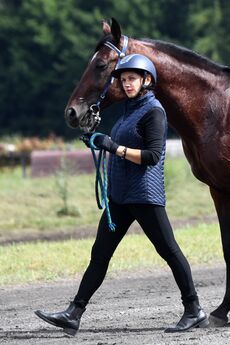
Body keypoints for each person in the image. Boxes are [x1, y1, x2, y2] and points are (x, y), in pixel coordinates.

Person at [35, 54, 208, 335]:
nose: (127, 84)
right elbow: (118, 141)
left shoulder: (154, 111)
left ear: (146, 81)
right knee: (99, 255)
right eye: (124, 80)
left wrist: (113, 146)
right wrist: (98, 140)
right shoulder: (129, 110)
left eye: (132, 79)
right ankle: (74, 313)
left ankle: (194, 310)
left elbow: (152, 156)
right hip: (119, 196)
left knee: (170, 251)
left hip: (144, 195)